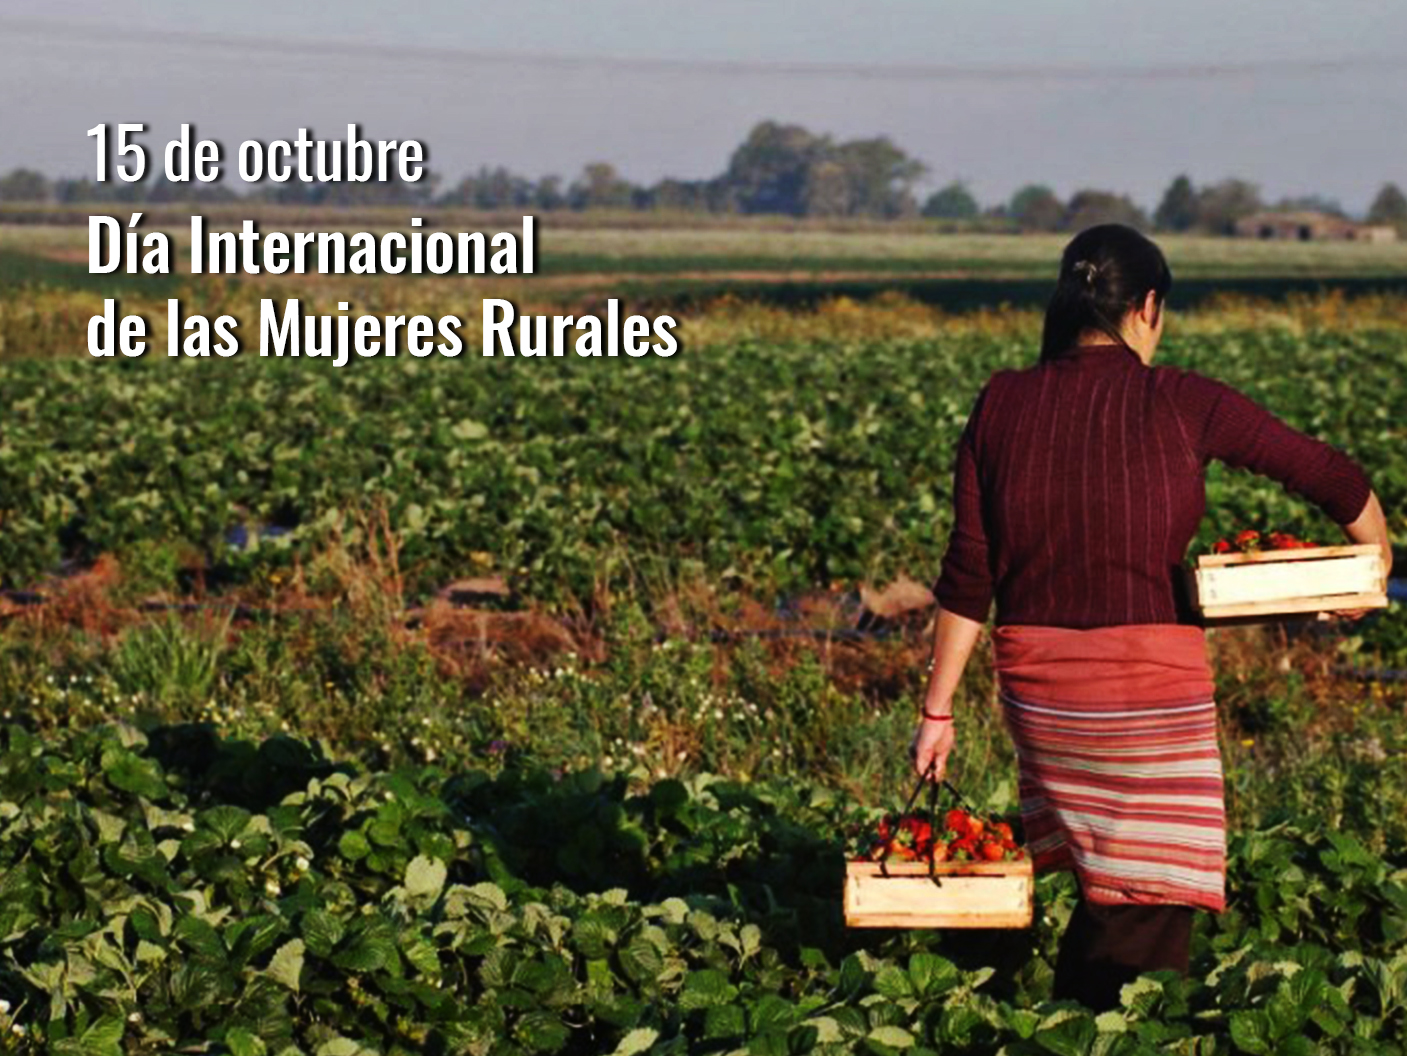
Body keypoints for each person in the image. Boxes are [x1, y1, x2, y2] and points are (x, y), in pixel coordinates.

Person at [909, 223, 1392, 1012]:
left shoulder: (1002, 401)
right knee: (1149, 900)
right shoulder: (1179, 399)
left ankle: (1069, 1020)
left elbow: (969, 572)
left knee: (1111, 891)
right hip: (1146, 696)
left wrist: (937, 713)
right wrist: (1374, 563)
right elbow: (1329, 475)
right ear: (1146, 307)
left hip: (1041, 693)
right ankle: (1106, 1028)